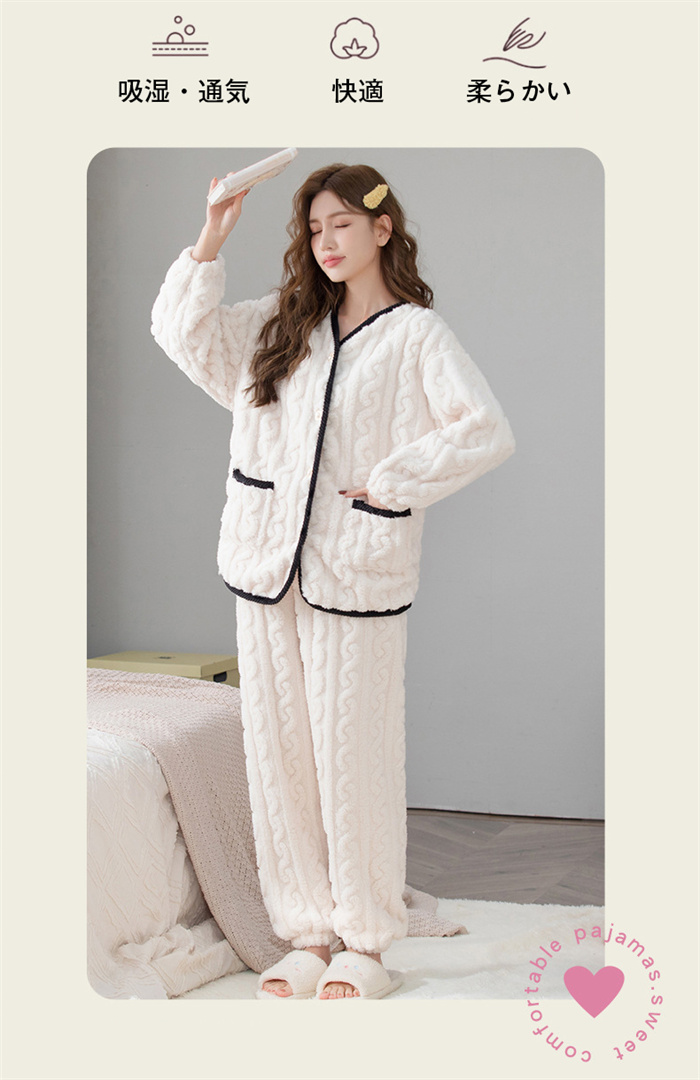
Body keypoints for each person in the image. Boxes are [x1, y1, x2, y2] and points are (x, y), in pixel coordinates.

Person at [151, 161, 515, 1000]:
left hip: (357, 567)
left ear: (383, 229)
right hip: (263, 563)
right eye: (314, 229)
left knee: (354, 757)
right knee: (277, 758)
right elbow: (182, 333)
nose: (326, 242)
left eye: (342, 225)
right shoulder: (281, 325)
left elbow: (483, 429)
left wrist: (392, 482)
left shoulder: (416, 335)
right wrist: (211, 235)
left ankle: (366, 940)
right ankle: (307, 933)